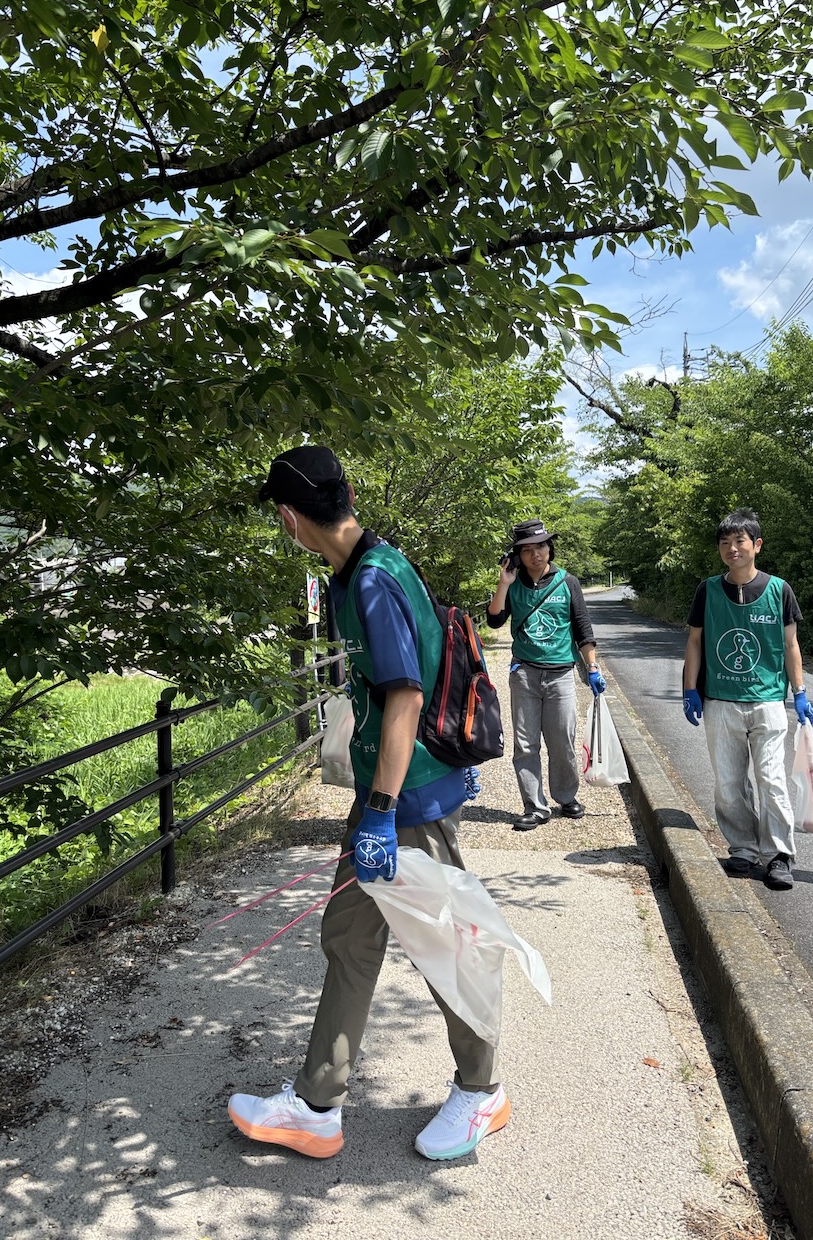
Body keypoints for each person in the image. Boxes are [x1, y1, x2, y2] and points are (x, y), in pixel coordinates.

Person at [227, 445, 509, 1161]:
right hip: (387, 796)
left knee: (444, 944)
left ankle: (481, 1090)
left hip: (405, 801)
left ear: (289, 518)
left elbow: (404, 699)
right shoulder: (358, 571)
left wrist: (380, 811)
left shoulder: (375, 581)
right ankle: (317, 1105)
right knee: (351, 939)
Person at [682, 507, 813, 891]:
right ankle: (742, 848)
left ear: (757, 545)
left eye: (739, 541)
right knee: (728, 783)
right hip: (720, 700)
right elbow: (695, 641)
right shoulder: (708, 590)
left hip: (768, 701)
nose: (732, 549)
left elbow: (791, 645)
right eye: (725, 543)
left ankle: (779, 855)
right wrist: (690, 689)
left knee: (771, 780)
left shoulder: (779, 590)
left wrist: (800, 692)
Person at [486, 519, 604, 831]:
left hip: (561, 674)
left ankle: (566, 796)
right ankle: (535, 806)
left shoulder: (567, 582)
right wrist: (504, 583)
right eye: (526, 550)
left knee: (562, 740)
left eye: (540, 546)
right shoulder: (514, 584)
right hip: (524, 673)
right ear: (518, 555)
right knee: (525, 743)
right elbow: (495, 620)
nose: (535, 554)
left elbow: (583, 628)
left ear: (549, 548)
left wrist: (592, 667)